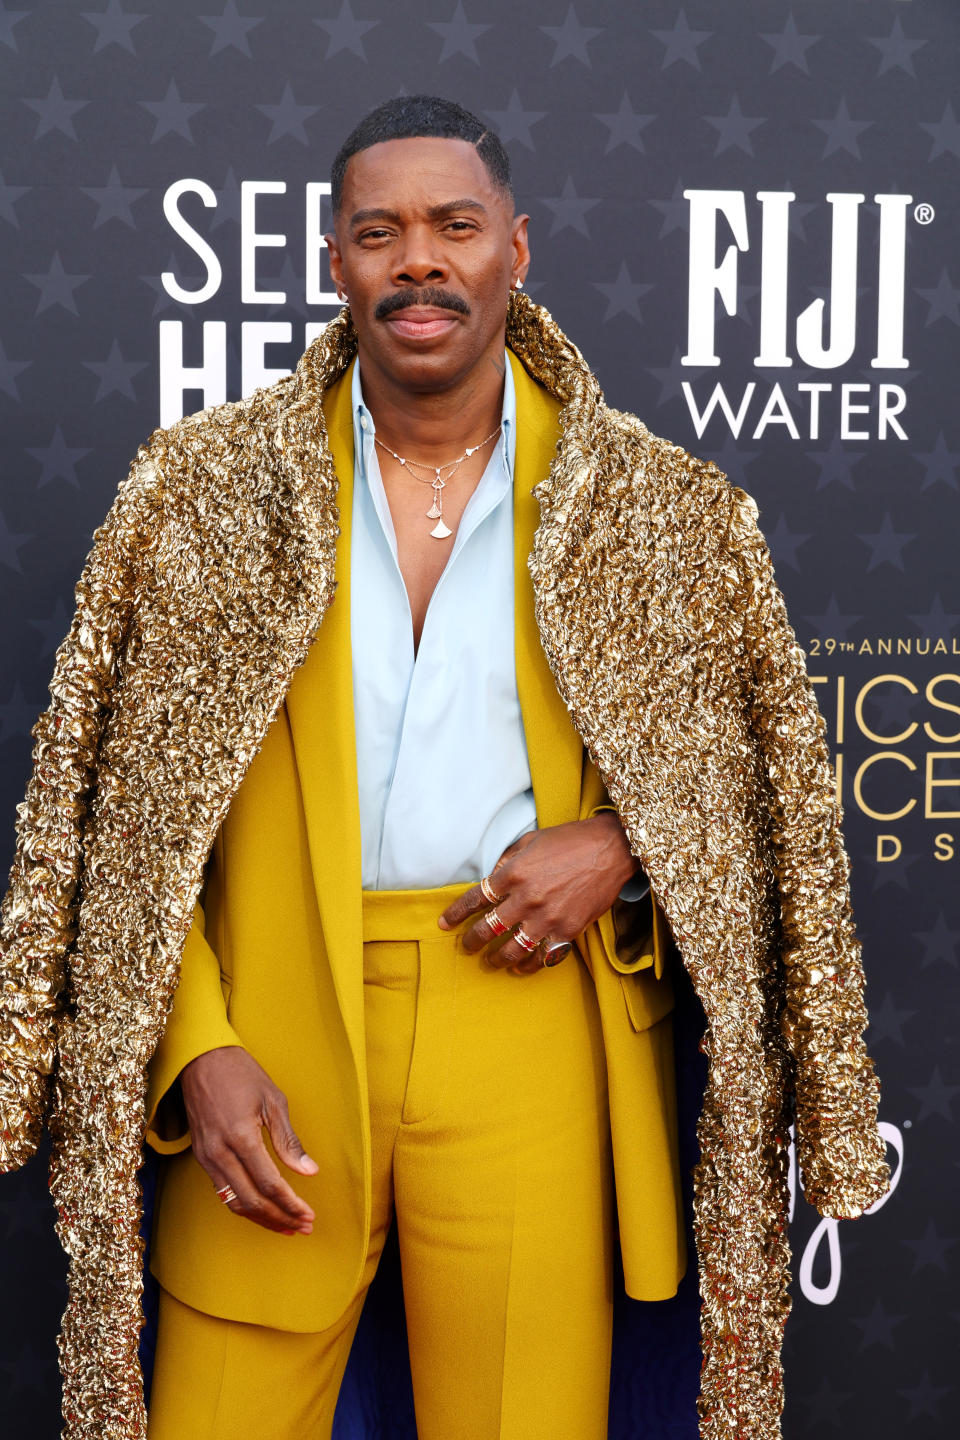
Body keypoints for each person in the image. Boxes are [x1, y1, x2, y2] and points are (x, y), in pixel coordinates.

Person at [0, 96, 888, 1440]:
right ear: (334, 259)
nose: (419, 259)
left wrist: (625, 842)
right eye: (381, 231)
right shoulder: (196, 495)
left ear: (514, 252)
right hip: (271, 1027)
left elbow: (760, 797)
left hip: (527, 1020)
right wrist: (195, 1044)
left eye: (454, 226)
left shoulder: (666, 510)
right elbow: (123, 816)